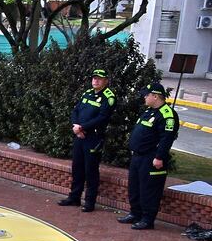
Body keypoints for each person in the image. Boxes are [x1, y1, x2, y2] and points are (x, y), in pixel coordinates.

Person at [119, 83, 179, 230]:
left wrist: (159, 157)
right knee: (135, 187)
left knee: (149, 190)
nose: (144, 97)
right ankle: (135, 213)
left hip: (151, 158)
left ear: (156, 96)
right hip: (138, 157)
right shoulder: (149, 111)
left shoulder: (167, 114)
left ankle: (147, 219)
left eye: (147, 95)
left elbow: (167, 138)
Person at [59, 69, 116, 212]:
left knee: (90, 170)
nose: (95, 81)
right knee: (77, 168)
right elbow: (76, 110)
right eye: (94, 78)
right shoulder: (87, 93)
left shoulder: (108, 97)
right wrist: (76, 126)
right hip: (79, 136)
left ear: (105, 81)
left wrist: (82, 127)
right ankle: (74, 197)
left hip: (93, 138)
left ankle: (89, 202)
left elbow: (102, 118)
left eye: (99, 79)